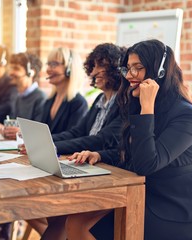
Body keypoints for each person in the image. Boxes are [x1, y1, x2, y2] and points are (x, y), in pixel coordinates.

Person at [65, 39, 192, 240]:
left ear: (160, 72)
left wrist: (147, 109)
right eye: (128, 69)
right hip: (147, 195)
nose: (129, 76)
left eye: (138, 68)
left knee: (82, 227)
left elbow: (146, 164)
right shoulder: (139, 104)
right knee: (75, 221)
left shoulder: (185, 115)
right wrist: (98, 155)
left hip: (180, 209)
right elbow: (132, 153)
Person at [26, 43, 126, 239]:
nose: (94, 72)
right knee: (42, 208)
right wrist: (45, 141)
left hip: (106, 172)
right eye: (93, 66)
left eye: (101, 66)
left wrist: (52, 145)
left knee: (58, 214)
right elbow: (77, 131)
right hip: (86, 166)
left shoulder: (124, 103)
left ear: (115, 69)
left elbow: (100, 140)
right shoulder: (99, 101)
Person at [0, 52, 47, 139]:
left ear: (31, 72)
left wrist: (21, 133)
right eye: (11, 68)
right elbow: (15, 127)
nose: (11, 73)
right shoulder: (17, 96)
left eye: (16, 69)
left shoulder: (41, 98)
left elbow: (39, 133)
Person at [41, 47, 88, 134]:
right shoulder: (49, 101)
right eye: (48, 64)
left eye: (54, 64)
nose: (48, 69)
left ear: (69, 69)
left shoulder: (79, 103)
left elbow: (72, 137)